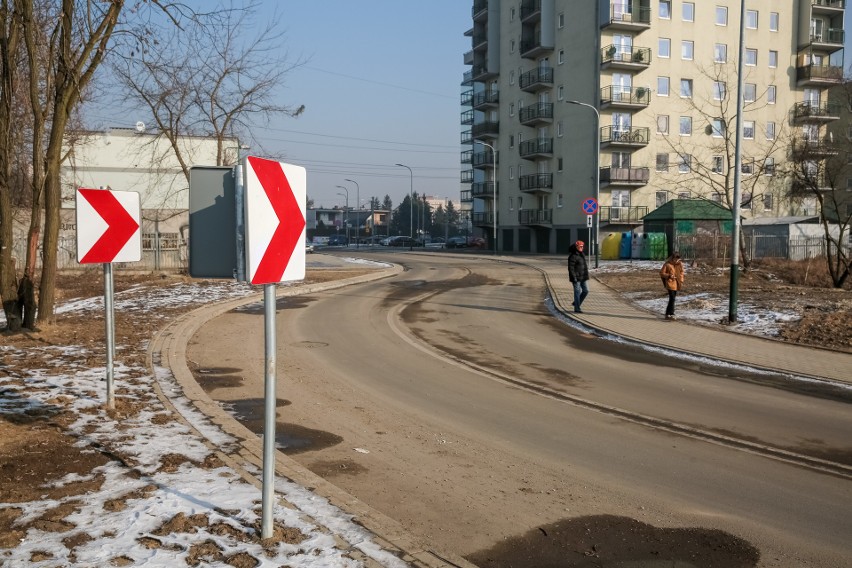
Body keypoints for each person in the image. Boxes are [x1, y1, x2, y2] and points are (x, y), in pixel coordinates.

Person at [660, 251, 685, 320]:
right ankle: (671, 313)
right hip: (670, 283)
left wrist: (681, 279)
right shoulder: (667, 264)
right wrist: (669, 276)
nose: (676, 260)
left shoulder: (680, 264)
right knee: (672, 298)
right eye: (675, 259)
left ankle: (668, 313)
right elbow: (662, 273)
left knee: (672, 299)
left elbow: (682, 272)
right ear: (672, 258)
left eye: (678, 259)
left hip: (677, 283)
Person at [568, 240, 589, 313]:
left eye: (582, 246)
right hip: (576, 278)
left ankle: (576, 303)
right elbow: (571, 268)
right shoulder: (573, 256)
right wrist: (574, 277)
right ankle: (577, 308)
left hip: (583, 277)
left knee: (586, 291)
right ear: (576, 247)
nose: (581, 248)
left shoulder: (582, 254)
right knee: (577, 292)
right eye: (580, 246)